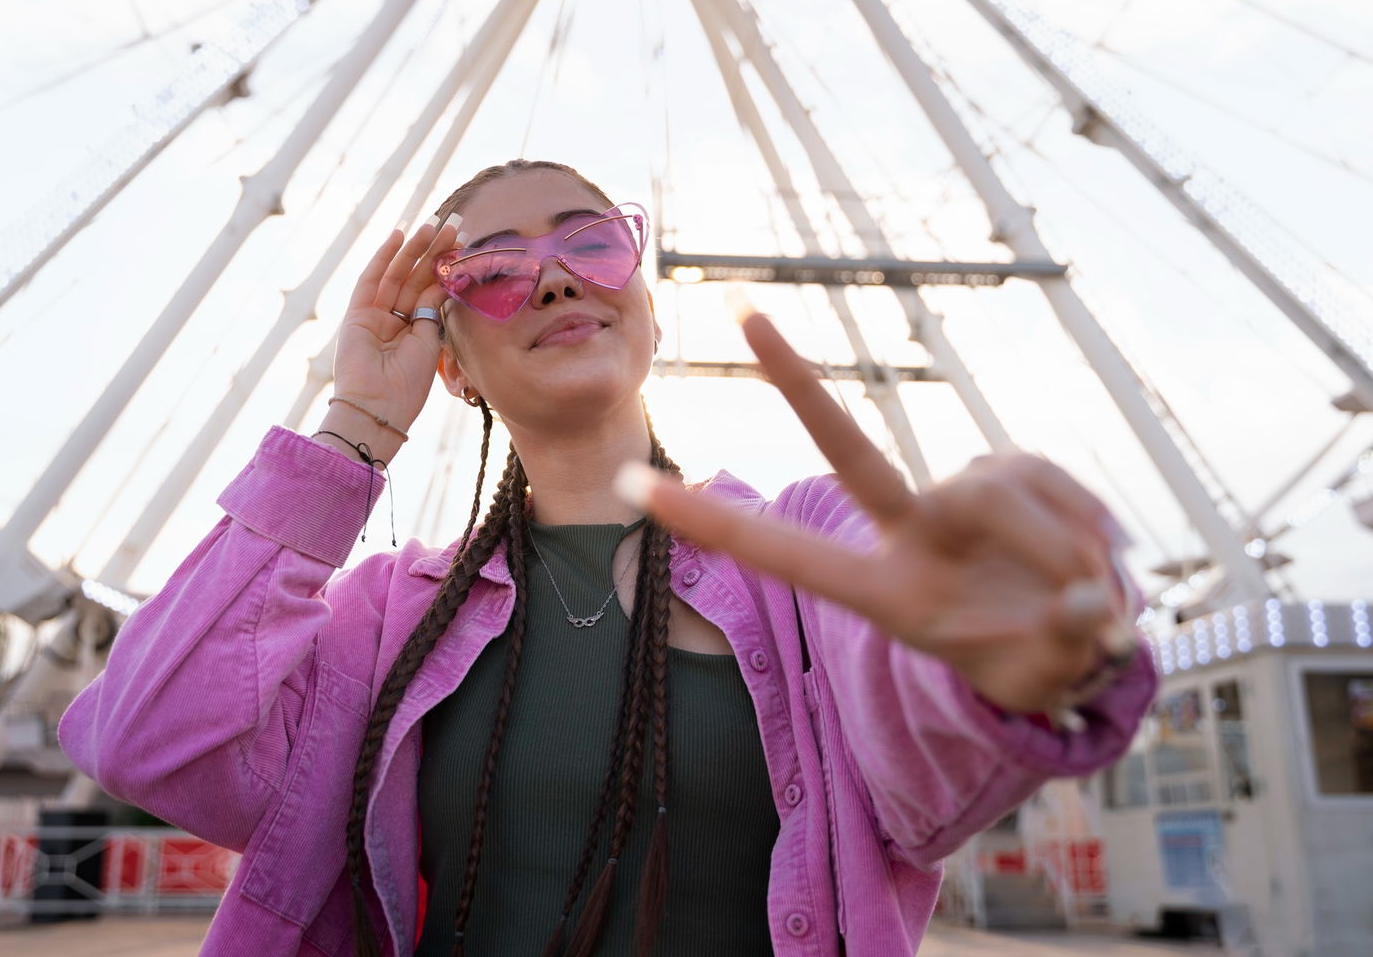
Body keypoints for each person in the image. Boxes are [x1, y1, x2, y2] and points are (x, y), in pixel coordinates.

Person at [57, 159, 1155, 957]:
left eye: (589, 241)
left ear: (643, 301)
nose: (551, 278)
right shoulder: (385, 618)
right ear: (454, 364)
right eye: (491, 268)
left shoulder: (817, 552)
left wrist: (992, 647)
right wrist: (351, 431)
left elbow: (928, 777)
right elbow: (148, 736)